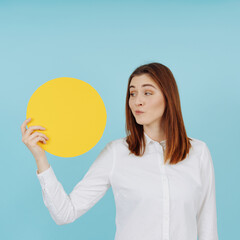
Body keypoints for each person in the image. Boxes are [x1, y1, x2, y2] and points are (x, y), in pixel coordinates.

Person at [21, 62, 219, 240]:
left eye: (147, 93)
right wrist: (40, 158)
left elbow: (207, 227)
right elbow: (65, 213)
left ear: (169, 98)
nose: (137, 101)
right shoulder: (116, 153)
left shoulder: (198, 152)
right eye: (132, 93)